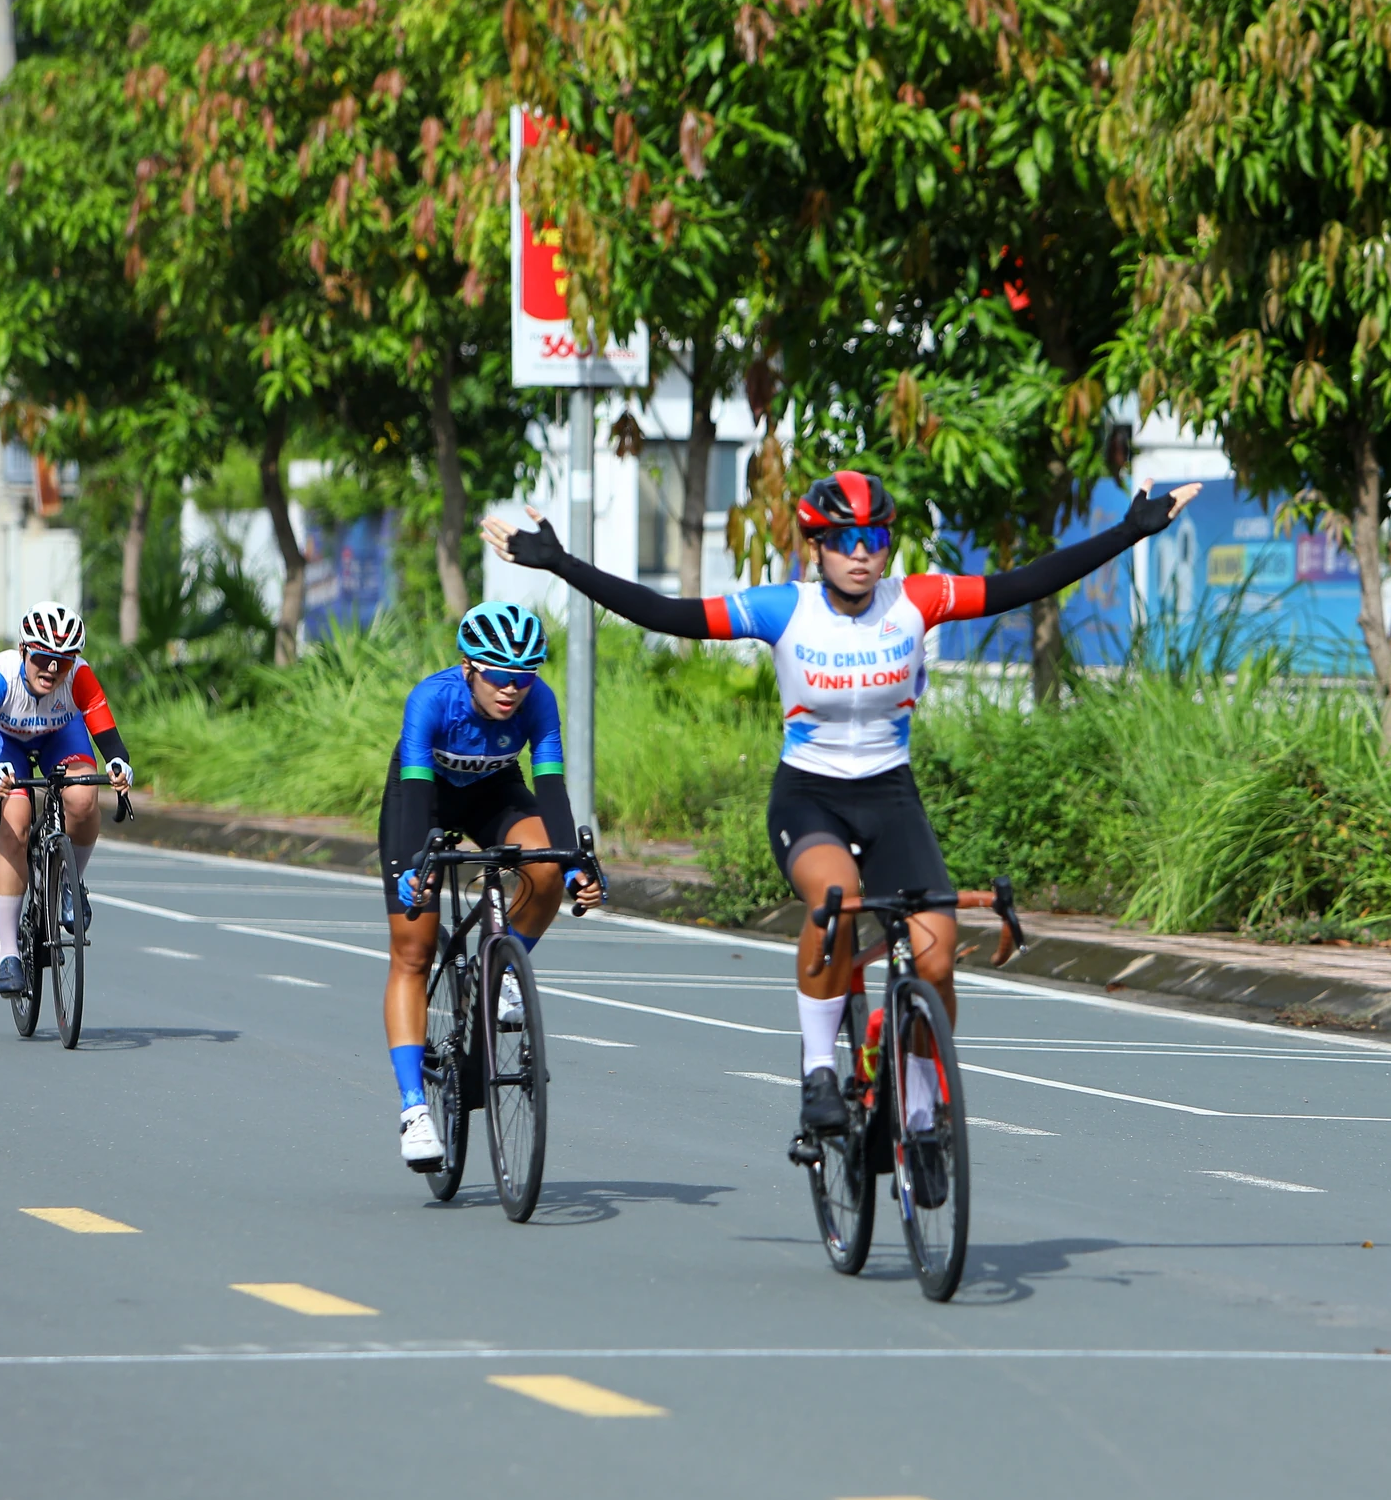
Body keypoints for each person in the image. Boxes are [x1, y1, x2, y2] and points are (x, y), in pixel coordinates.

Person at [485, 470, 1198, 1186]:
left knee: (937, 954)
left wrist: (1130, 532)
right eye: (846, 541)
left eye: (877, 540)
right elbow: (668, 613)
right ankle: (820, 1072)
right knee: (837, 901)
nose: (863, 554)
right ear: (816, 546)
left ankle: (921, 1117)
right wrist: (561, 562)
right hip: (810, 802)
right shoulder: (781, 609)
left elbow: (1025, 583)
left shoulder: (916, 599)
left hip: (891, 800)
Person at [385, 601, 605, 1170]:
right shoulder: (431, 700)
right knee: (412, 950)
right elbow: (413, 793)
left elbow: (550, 786)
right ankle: (414, 1109)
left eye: (524, 676)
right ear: (468, 666)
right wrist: (415, 866)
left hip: (494, 792)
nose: (511, 689)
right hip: (424, 793)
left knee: (548, 869)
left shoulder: (538, 703)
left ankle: (500, 967)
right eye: (498, 675)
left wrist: (578, 862)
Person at [0, 603, 132, 997]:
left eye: (63, 663)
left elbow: (110, 742)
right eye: (43, 659)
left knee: (84, 796)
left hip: (59, 738)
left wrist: (119, 764)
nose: (52, 669)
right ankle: (9, 953)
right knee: (15, 823)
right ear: (23, 651)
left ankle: (70, 883)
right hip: (6, 745)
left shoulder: (80, 678)